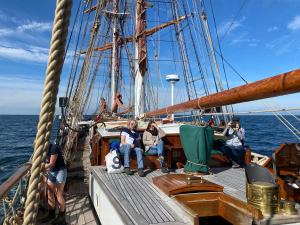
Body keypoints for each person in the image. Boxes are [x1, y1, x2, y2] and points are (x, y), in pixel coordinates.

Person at [41, 143, 67, 225]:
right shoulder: (42, 151)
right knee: (50, 193)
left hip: (60, 171)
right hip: (52, 171)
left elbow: (52, 163)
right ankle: (51, 214)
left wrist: (38, 168)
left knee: (59, 194)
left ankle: (61, 216)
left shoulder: (53, 148)